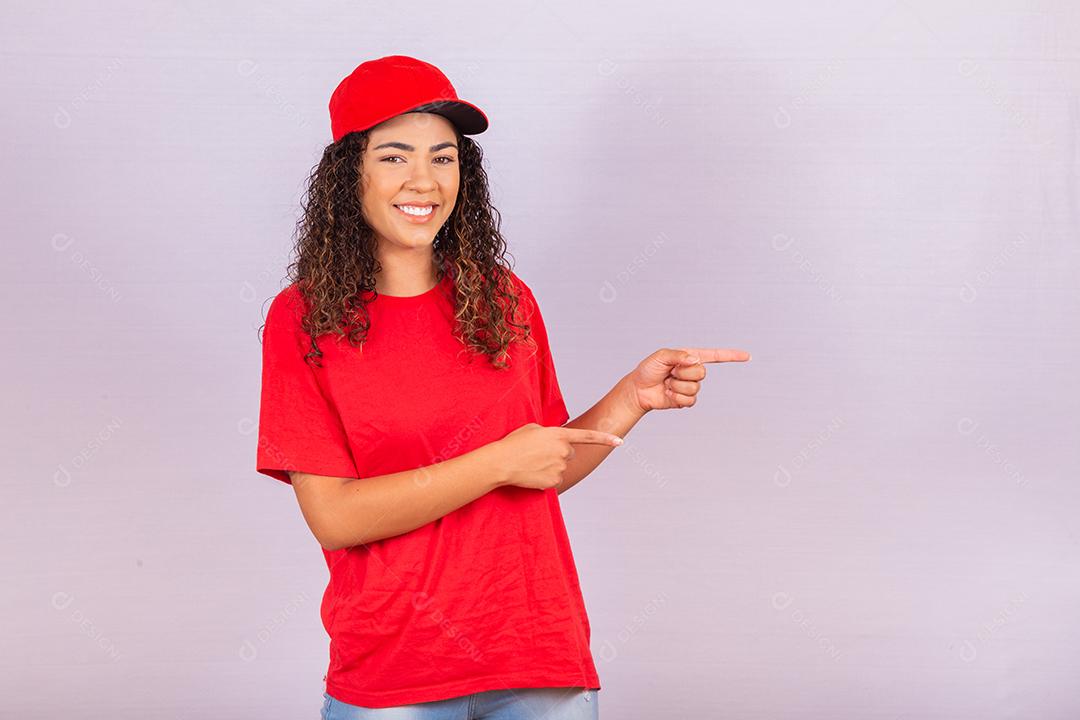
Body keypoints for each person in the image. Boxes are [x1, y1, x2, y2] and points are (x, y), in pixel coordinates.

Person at [256, 54, 751, 720]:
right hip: (395, 674)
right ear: (351, 175)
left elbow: (542, 464)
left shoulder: (503, 300)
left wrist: (633, 397)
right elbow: (335, 517)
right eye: (396, 157)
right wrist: (495, 463)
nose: (425, 181)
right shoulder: (303, 319)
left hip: (538, 661)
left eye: (444, 157)